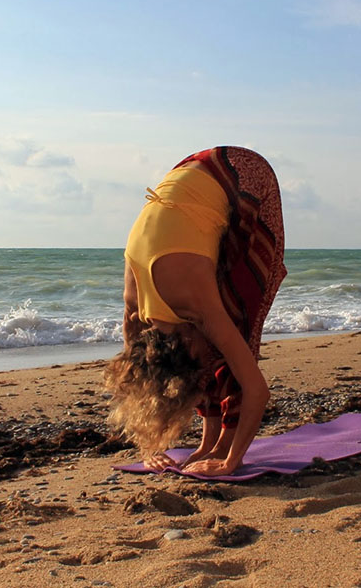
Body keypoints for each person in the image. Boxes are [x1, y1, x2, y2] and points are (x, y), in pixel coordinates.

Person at [105, 146, 286, 476]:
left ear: (188, 344)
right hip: (190, 168)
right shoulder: (136, 316)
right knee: (215, 346)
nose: (208, 362)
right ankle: (209, 442)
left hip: (244, 172)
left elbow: (257, 390)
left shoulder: (196, 304)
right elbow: (137, 381)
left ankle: (224, 446)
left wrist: (231, 463)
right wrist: (150, 450)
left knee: (242, 320)